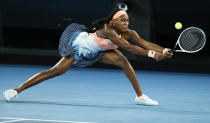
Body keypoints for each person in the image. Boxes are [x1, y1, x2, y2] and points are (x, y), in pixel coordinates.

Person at [3, 8, 173, 106]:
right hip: (78, 47)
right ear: (113, 22)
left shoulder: (130, 33)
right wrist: (153, 55)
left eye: (127, 20)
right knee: (55, 71)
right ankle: (17, 90)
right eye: (122, 20)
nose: (126, 23)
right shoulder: (108, 30)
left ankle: (140, 96)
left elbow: (144, 43)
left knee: (123, 60)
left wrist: (163, 50)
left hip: (97, 53)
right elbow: (128, 47)